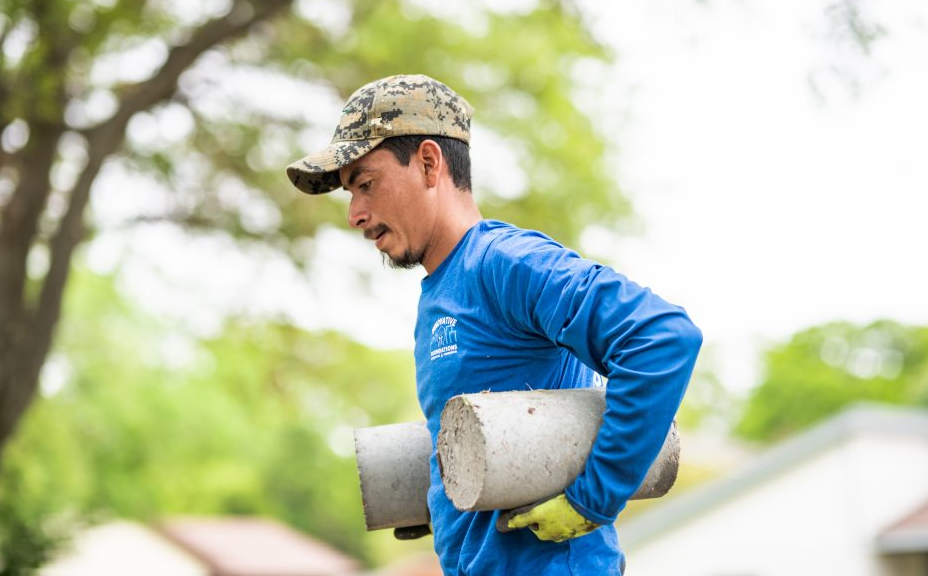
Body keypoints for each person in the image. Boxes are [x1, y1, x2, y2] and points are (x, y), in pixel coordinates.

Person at [286, 74, 702, 576]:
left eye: (366, 185)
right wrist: (445, 492)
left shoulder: (505, 262)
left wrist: (593, 500)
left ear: (428, 163)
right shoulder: (439, 293)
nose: (355, 214)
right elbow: (498, 422)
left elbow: (661, 338)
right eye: (350, 195)